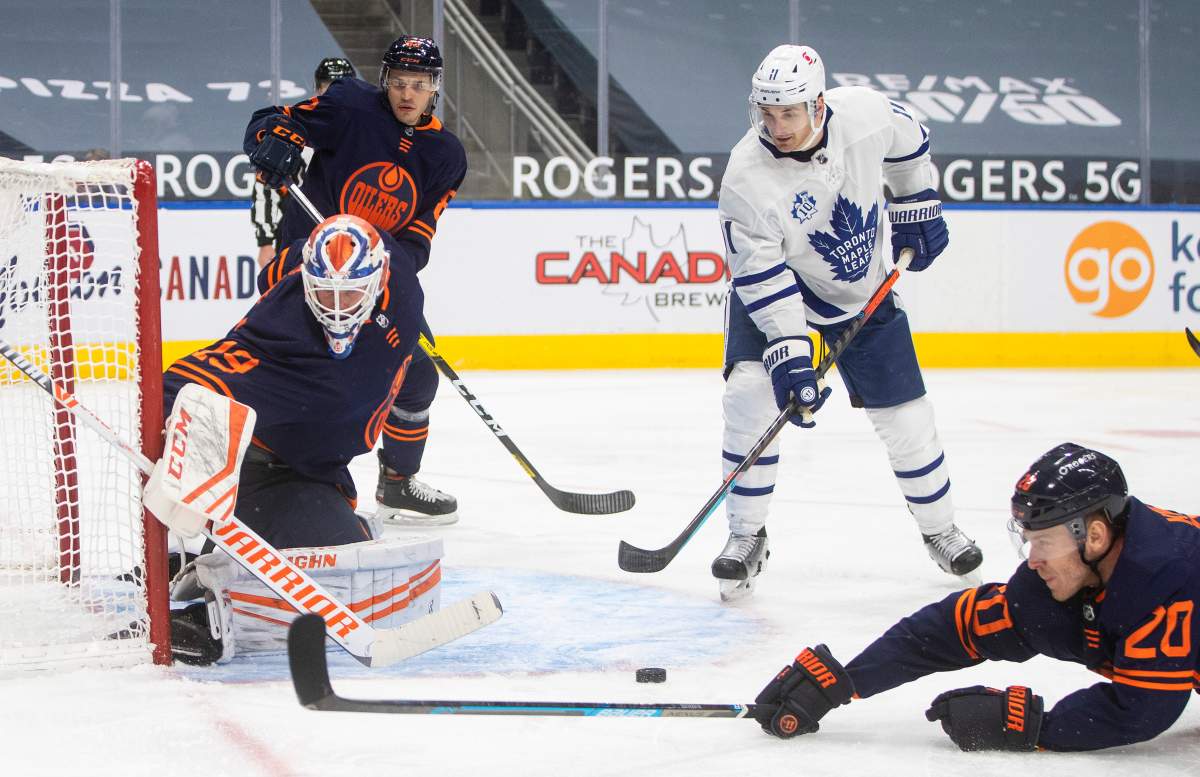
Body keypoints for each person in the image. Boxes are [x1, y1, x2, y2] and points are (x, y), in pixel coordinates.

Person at [713, 44, 980, 601]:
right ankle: (746, 535)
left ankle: (941, 531)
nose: (777, 125)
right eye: (767, 113)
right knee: (749, 396)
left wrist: (917, 204)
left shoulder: (863, 112)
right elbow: (762, 279)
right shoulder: (746, 178)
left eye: (788, 113)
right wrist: (790, 352)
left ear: (818, 105)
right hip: (782, 293)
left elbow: (911, 144)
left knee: (908, 419)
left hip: (864, 292)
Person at [751, 443, 1200, 751]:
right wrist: (846, 682)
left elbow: (1141, 710)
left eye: (1042, 542)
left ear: (1096, 535)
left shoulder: (1168, 581)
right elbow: (957, 629)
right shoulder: (1062, 579)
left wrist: (1034, 727)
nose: (1032, 560)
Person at [243, 36, 465, 526]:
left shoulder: (446, 154)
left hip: (374, 285)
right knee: (297, 379)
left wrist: (392, 281)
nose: (408, 95)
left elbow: (418, 237)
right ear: (386, 81)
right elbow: (274, 120)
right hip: (304, 274)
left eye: (419, 85)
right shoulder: (351, 106)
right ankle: (273, 477)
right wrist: (273, 143)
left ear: (434, 89)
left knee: (418, 378)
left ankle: (398, 483)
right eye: (400, 83)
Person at [250, 57, 357, 269]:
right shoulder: (297, 127)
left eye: (343, 89)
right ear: (317, 89)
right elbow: (266, 185)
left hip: (352, 238)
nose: (335, 97)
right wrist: (265, 242)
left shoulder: (364, 135)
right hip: (299, 236)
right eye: (329, 88)